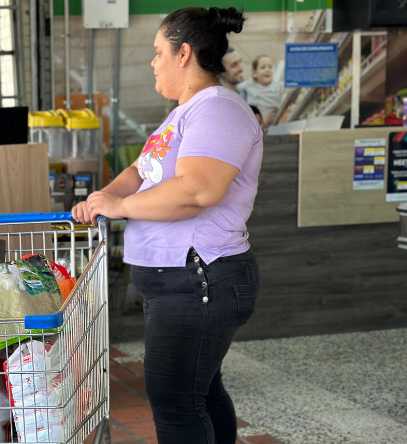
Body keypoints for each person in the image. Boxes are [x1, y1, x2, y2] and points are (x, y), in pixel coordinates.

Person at [72, 6, 262, 444]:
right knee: (201, 392)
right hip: (183, 280)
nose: (153, 62)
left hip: (201, 276)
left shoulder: (217, 109)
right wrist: (103, 200)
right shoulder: (185, 111)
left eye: (158, 52)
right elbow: (141, 172)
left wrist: (121, 206)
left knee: (176, 400)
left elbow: (198, 190)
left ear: (184, 53)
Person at [239, 54, 285, 127]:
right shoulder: (248, 85)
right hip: (257, 123)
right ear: (255, 73)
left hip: (273, 123)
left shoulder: (278, 86)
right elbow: (235, 87)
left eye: (270, 67)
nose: (267, 69)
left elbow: (291, 88)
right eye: (263, 67)